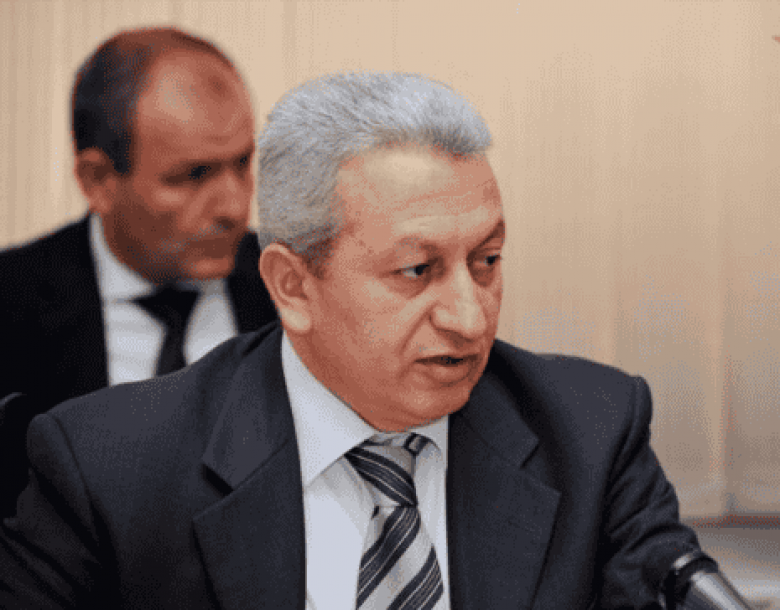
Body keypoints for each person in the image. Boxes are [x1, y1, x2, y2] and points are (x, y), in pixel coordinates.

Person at [0, 72, 708, 608]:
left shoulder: (590, 434)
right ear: (292, 287)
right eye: (416, 270)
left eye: (487, 261)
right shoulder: (109, 470)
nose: (470, 317)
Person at [0, 27, 277, 517]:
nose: (235, 206)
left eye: (242, 163)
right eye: (193, 175)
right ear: (98, 181)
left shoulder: (293, 287)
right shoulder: (12, 302)